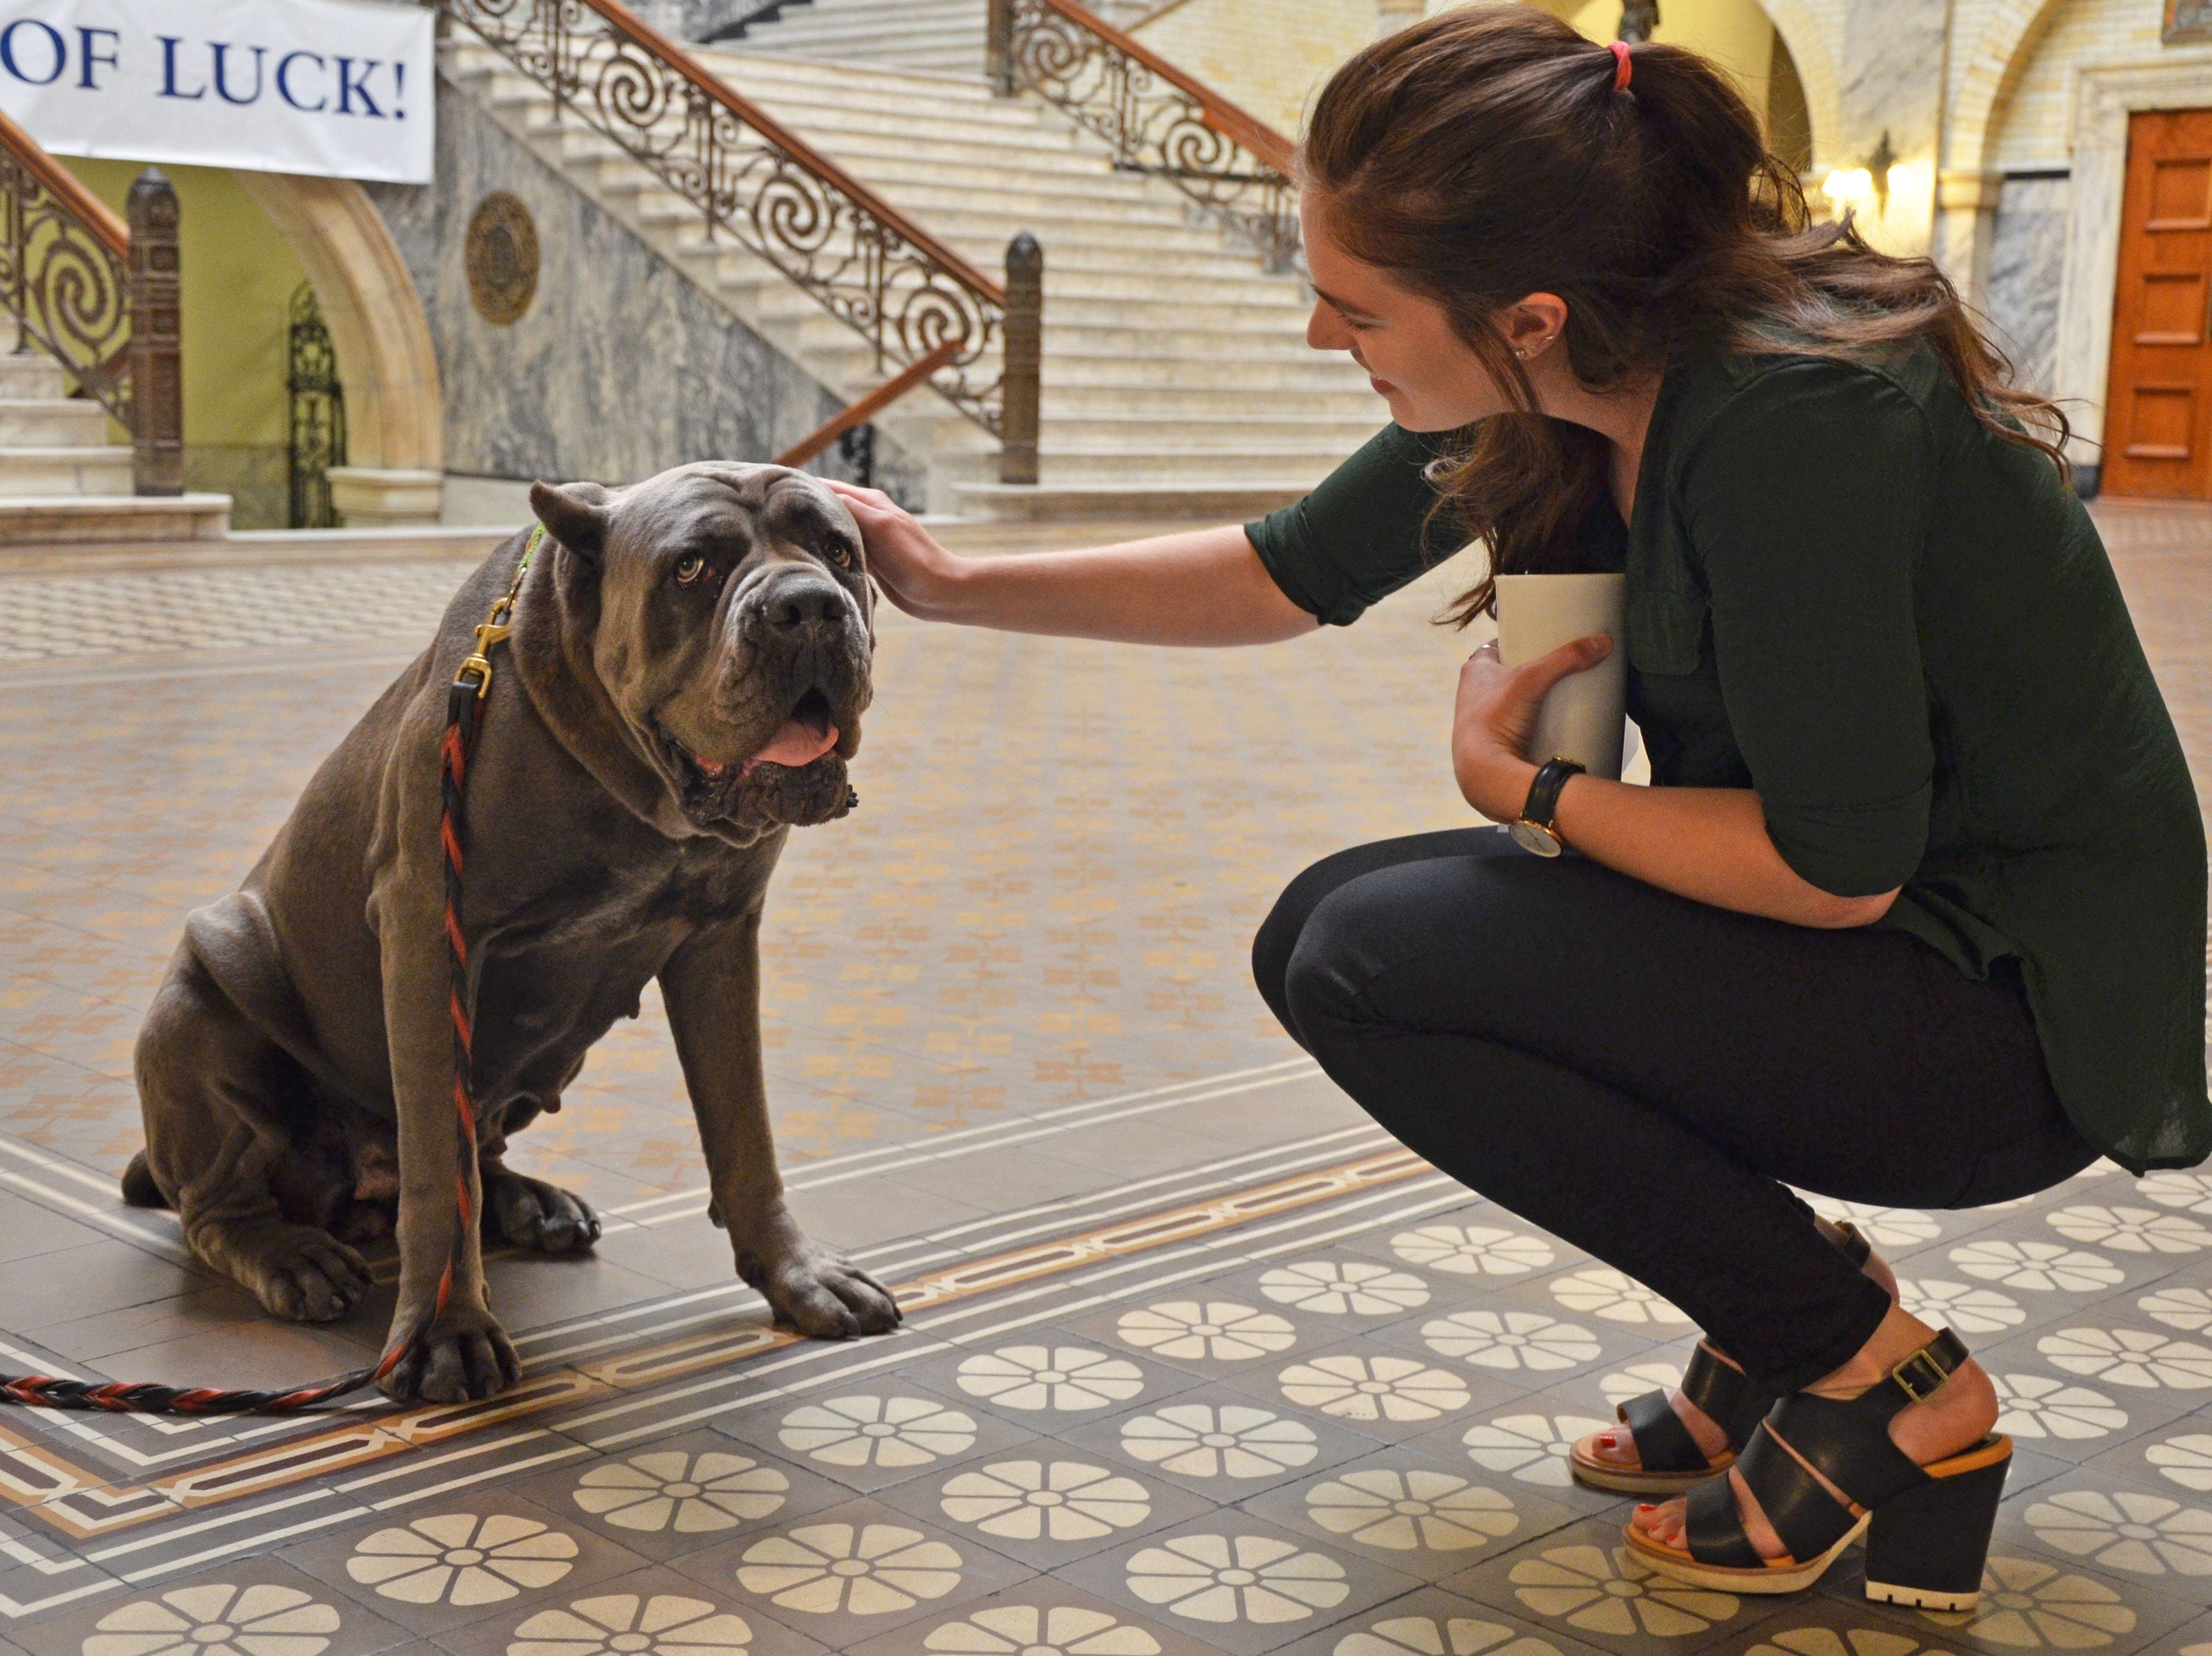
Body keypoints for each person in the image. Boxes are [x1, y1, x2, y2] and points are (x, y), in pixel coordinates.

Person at [824, 4, 2209, 1610]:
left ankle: (1884, 1386)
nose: (1319, 340)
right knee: (1325, 936)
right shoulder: (1583, 367)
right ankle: (1780, 1314)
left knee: (1375, 955)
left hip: (1996, 1024)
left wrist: (1525, 785)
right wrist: (951, 582)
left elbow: (1833, 870)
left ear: (1527, 315)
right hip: (1871, 946)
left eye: (1351, 309)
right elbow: (1294, 571)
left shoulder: (1785, 422)